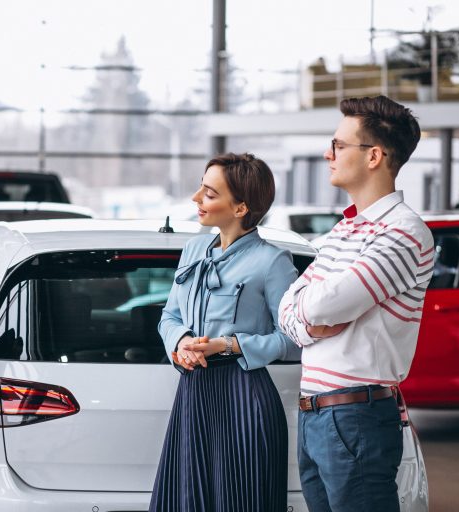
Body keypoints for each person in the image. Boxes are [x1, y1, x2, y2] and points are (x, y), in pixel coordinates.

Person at [278, 95, 433, 512]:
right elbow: (288, 307)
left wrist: (307, 316)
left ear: (374, 156)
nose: (328, 154)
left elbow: (321, 305)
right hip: (316, 414)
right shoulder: (344, 230)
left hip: (356, 416)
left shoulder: (405, 232)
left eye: (339, 145)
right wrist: (307, 321)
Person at [150, 153, 300, 512]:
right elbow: (169, 315)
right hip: (193, 394)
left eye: (209, 193)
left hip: (243, 397)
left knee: (241, 499)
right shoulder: (192, 250)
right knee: (188, 499)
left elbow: (294, 339)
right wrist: (181, 342)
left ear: (240, 208)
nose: (196, 199)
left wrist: (230, 345)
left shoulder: (273, 262)